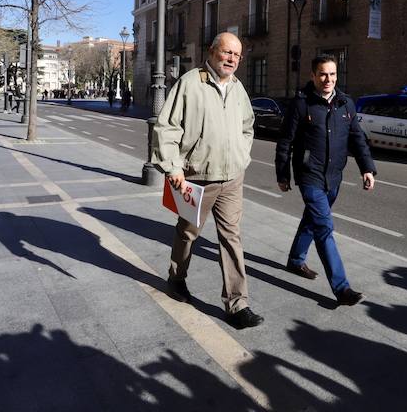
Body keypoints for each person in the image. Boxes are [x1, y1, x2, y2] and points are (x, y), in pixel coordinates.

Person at [153, 32, 263, 330]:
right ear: (212, 52)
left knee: (232, 239)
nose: (231, 59)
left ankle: (238, 304)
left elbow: (248, 127)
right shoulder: (191, 83)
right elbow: (166, 128)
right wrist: (173, 167)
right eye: (226, 52)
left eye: (236, 55)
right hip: (196, 178)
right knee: (187, 234)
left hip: (231, 179)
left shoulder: (238, 89)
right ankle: (176, 279)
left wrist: (241, 156)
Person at [275, 54, 376, 306]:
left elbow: (357, 139)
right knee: (324, 227)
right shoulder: (301, 104)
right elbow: (285, 141)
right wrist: (283, 173)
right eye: (322, 74)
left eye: (332, 74)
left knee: (312, 220)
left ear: (336, 75)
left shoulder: (345, 104)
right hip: (309, 175)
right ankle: (341, 288)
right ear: (313, 75)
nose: (327, 79)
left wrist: (367, 168)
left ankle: (296, 261)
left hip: (334, 177)